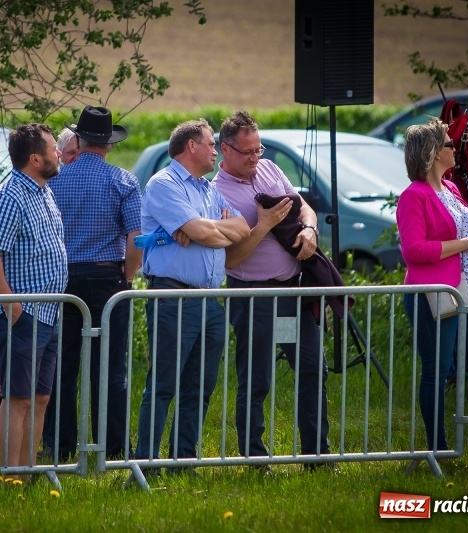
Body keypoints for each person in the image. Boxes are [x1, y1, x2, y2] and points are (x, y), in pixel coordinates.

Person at [212, 111, 333, 464]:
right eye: (247, 152)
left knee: (313, 370)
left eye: (258, 149)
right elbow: (231, 260)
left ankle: (318, 455)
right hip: (254, 295)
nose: (255, 159)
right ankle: (254, 458)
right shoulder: (215, 193)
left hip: (295, 290)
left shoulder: (269, 169)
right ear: (225, 150)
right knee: (257, 379)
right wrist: (263, 225)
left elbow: (305, 207)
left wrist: (310, 230)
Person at [134, 119, 249, 463]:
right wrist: (202, 230)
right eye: (211, 144)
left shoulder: (208, 190)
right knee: (164, 384)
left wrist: (203, 229)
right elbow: (209, 233)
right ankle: (145, 465)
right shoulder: (163, 184)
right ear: (191, 147)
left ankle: (183, 462)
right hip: (173, 296)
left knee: (200, 388)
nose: (216, 150)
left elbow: (241, 228)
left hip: (209, 300)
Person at [45, 106, 142, 461]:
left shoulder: (55, 180)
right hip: (107, 278)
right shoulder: (124, 181)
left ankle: (59, 445)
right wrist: (128, 277)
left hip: (63, 277)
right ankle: (114, 448)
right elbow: (136, 237)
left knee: (61, 363)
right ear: (109, 145)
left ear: (80, 140)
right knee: (111, 366)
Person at [397, 118, 468, 452]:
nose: (455, 147)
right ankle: (438, 449)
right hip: (435, 292)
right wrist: (467, 243)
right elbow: (414, 250)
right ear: (431, 153)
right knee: (438, 370)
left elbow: (461, 232)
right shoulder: (414, 196)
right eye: (449, 144)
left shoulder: (452, 189)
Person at [0, 123, 68, 473]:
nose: (58, 153)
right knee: (17, 398)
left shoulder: (43, 191)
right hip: (22, 312)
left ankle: (28, 475)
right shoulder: (8, 196)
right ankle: (8, 476)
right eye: (52, 148)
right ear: (35, 158)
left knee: (40, 397)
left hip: (47, 312)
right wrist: (10, 302)